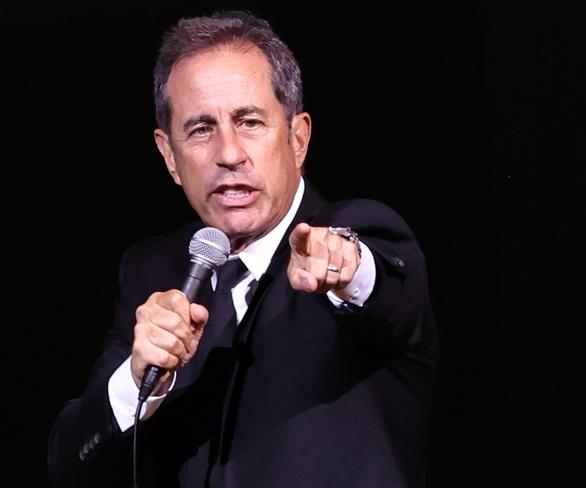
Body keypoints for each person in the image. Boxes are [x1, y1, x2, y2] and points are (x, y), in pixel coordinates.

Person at [48, 9, 438, 488]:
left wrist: (347, 265)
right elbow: (70, 463)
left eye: (249, 121)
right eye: (201, 129)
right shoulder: (152, 272)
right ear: (170, 156)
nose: (229, 154)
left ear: (298, 139)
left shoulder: (357, 231)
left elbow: (385, 290)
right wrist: (136, 381)